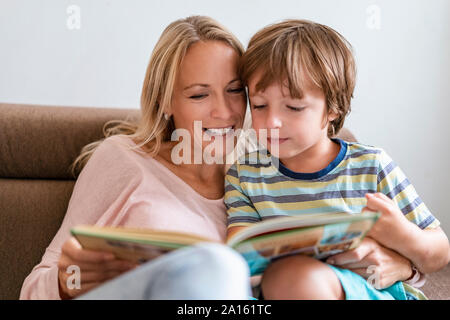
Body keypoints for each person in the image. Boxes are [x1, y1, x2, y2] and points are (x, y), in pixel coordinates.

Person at [20, 15, 252, 300]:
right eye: (199, 95)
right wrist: (68, 281)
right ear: (165, 101)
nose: (225, 112)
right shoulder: (124, 160)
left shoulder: (255, 183)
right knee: (216, 262)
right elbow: (33, 291)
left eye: (234, 90)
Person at [224, 19, 450, 300]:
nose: (272, 121)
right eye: (259, 105)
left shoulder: (371, 166)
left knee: (294, 278)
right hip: (282, 287)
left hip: (368, 290)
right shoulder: (244, 175)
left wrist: (403, 236)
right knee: (287, 278)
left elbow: (439, 252)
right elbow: (241, 249)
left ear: (333, 107)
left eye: (294, 107)